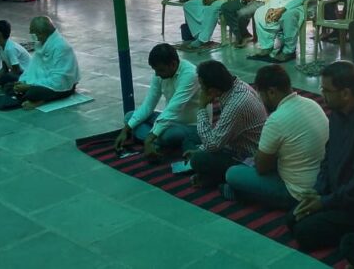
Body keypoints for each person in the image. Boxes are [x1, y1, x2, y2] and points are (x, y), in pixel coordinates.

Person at [290, 61, 354, 251]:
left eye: (326, 90)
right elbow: (328, 157)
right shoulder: (338, 114)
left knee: (303, 232)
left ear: (345, 93)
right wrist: (318, 191)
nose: (322, 94)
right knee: (293, 219)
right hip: (336, 194)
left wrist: (324, 203)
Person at [224, 64, 329, 210]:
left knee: (233, 174)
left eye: (261, 95)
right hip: (322, 184)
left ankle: (242, 194)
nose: (261, 100)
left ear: (271, 92)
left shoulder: (276, 120)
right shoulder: (312, 104)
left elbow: (262, 168)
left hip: (296, 193)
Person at [182, 60, 268, 188]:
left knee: (198, 159)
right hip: (234, 143)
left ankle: (217, 179)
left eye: (202, 87)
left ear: (213, 91)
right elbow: (223, 133)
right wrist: (200, 149)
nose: (201, 91)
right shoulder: (237, 87)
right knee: (190, 141)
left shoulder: (236, 104)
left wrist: (201, 107)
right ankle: (210, 175)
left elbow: (213, 145)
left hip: (247, 157)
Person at [114, 44, 200, 160]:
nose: (156, 74)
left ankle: (150, 139)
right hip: (169, 120)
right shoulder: (160, 74)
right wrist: (125, 130)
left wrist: (150, 138)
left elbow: (173, 109)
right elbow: (148, 105)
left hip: (191, 126)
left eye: (160, 70)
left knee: (170, 135)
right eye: (155, 70)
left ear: (173, 64)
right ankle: (155, 140)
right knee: (129, 117)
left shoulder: (190, 74)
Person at [12, 16, 81, 109]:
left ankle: (40, 101)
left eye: (32, 32)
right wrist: (23, 81)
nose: (30, 34)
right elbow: (32, 67)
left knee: (32, 93)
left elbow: (59, 80)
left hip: (64, 85)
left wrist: (29, 86)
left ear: (41, 33)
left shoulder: (62, 47)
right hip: (43, 81)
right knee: (12, 84)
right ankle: (31, 96)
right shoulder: (40, 44)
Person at [0, 20, 32, 90]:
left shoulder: (10, 48)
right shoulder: (0, 46)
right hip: (13, 73)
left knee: (5, 78)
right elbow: (4, 69)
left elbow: (17, 71)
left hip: (24, 75)